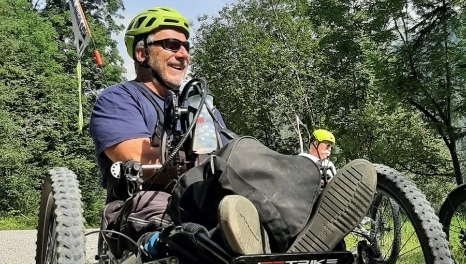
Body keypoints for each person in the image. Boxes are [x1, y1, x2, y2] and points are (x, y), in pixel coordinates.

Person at [90, 5, 377, 260]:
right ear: (141, 53)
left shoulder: (199, 104)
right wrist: (202, 157)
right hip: (154, 201)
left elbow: (230, 149)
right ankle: (271, 236)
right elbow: (131, 156)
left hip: (211, 192)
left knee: (246, 153)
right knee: (218, 189)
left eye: (186, 47)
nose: (183, 55)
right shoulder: (118, 99)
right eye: (171, 44)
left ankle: (304, 217)